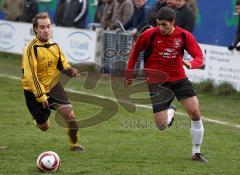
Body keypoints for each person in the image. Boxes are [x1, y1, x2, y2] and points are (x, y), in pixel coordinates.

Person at [124, 7, 208, 162]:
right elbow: (135, 51)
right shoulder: (149, 35)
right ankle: (171, 111)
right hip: (157, 83)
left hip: (179, 79)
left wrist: (191, 63)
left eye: (164, 25)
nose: (161, 28)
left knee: (195, 112)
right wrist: (129, 74)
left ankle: (196, 152)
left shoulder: (184, 35)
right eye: (158, 24)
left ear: (173, 22)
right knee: (162, 125)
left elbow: (199, 57)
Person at [21, 12, 85, 152]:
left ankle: (74, 145)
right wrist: (41, 96)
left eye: (48, 26)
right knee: (44, 127)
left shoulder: (54, 45)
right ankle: (39, 119)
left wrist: (69, 70)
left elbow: (62, 63)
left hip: (53, 86)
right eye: (42, 27)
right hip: (34, 91)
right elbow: (31, 76)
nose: (46, 30)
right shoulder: (31, 48)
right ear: (36, 29)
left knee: (70, 115)